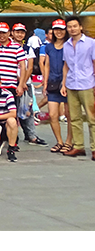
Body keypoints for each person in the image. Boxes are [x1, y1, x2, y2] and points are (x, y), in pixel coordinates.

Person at [0, 22, 44, 145]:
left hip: (11, 85)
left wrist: (20, 85)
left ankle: (13, 140)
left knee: (12, 114)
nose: (1, 35)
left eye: (4, 32)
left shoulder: (17, 47)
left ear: (9, 33)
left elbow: (23, 66)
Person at [61, 15, 95, 159]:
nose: (72, 29)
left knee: (92, 118)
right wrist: (63, 84)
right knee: (74, 117)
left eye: (75, 26)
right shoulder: (66, 45)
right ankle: (78, 146)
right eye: (69, 27)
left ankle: (94, 148)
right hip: (71, 84)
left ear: (80, 27)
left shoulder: (91, 43)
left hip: (87, 83)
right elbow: (66, 65)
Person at [40, 19, 73, 153]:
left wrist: (64, 83)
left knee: (70, 115)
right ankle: (59, 141)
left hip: (69, 83)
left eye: (61, 29)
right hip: (53, 83)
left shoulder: (70, 45)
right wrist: (45, 83)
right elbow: (47, 65)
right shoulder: (49, 47)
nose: (59, 32)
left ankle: (69, 142)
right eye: (56, 30)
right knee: (53, 115)